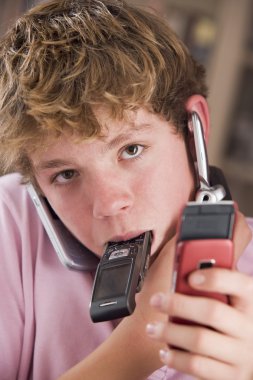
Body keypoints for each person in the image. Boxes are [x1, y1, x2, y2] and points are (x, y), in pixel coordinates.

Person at [0, 0, 252, 379]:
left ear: (193, 127)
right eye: (66, 175)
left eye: (131, 150)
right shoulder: (11, 221)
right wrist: (144, 340)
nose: (109, 204)